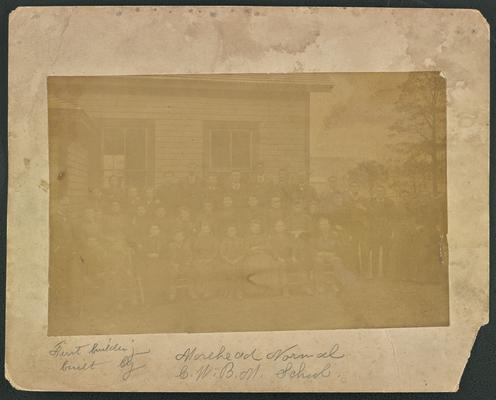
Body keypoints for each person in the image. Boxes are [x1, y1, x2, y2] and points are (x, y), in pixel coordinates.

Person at [312, 217, 341, 293]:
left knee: (337, 261)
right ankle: (320, 285)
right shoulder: (315, 235)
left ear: (329, 225)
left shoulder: (334, 235)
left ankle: (334, 284)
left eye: (326, 224)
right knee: (318, 262)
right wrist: (317, 253)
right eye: (322, 224)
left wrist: (334, 253)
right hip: (319, 255)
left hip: (331, 254)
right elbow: (312, 247)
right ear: (319, 226)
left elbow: (339, 247)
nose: (324, 226)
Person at [192, 222, 219, 298]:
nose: (205, 231)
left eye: (207, 229)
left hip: (210, 259)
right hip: (199, 259)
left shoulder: (214, 239)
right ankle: (199, 291)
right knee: (198, 271)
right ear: (201, 230)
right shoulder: (198, 239)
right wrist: (199, 259)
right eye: (203, 229)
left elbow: (215, 251)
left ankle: (208, 291)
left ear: (209, 230)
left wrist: (209, 259)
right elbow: (195, 250)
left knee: (207, 271)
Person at [268, 220, 294, 296]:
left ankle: (284, 289)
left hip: (288, 258)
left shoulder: (289, 237)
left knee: (283, 264)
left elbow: (293, 247)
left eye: (281, 226)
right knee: (281, 265)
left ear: (285, 227)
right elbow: (272, 249)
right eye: (278, 226)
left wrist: (293, 256)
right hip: (276, 259)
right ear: (275, 228)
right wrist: (278, 258)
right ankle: (284, 290)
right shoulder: (272, 238)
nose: (280, 227)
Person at [167, 230, 195, 301]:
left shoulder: (187, 245)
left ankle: (191, 292)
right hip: (175, 265)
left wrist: (188, 262)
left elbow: (190, 256)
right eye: (177, 236)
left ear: (183, 237)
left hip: (185, 264)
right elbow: (168, 257)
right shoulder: (170, 246)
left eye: (181, 236)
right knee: (172, 274)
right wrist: (172, 263)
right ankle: (172, 293)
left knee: (191, 273)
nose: (179, 238)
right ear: (174, 238)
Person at [219, 226, 246, 298]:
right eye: (230, 231)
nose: (232, 232)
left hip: (238, 261)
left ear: (236, 231)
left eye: (233, 231)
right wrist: (228, 261)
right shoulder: (224, 241)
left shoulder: (240, 240)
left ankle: (239, 291)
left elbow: (243, 252)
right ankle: (230, 291)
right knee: (228, 273)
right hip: (227, 262)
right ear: (227, 232)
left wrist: (237, 260)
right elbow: (222, 253)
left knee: (239, 274)